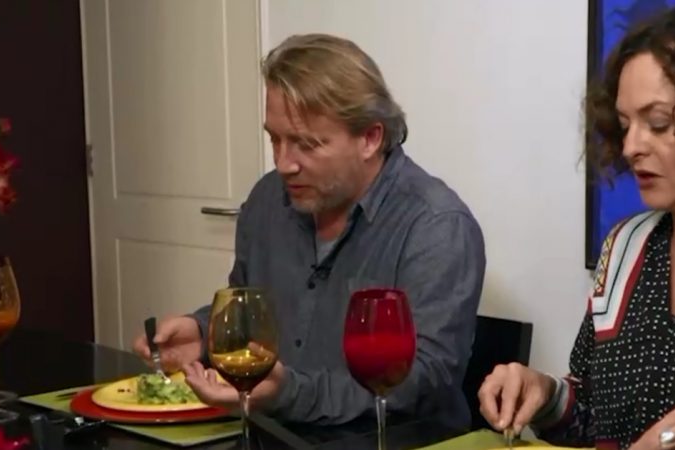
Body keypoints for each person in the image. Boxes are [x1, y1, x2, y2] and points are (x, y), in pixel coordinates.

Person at [132, 33, 486, 428]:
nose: (284, 164)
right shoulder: (268, 199)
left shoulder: (436, 226)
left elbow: (419, 384)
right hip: (273, 433)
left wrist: (288, 393)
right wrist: (203, 335)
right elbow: (251, 318)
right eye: (275, 139)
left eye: (306, 144)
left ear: (370, 138)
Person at [478, 4, 675, 450]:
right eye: (624, 125)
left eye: (658, 124)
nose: (631, 146)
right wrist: (544, 394)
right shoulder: (625, 246)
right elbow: (594, 416)